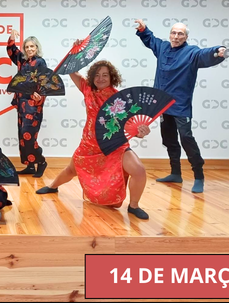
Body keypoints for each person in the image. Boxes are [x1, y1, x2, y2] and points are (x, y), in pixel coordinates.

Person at [36, 58, 152, 220]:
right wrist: (75, 53)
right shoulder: (88, 89)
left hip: (114, 146)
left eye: (105, 75)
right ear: (92, 77)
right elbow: (72, 70)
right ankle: (52, 186)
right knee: (71, 170)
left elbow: (131, 124)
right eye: (97, 75)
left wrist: (141, 132)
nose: (100, 78)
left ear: (112, 77)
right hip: (89, 145)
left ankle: (134, 206)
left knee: (139, 171)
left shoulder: (120, 98)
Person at [134, 19, 227, 193]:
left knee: (186, 138)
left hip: (180, 105)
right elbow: (151, 39)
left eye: (180, 34)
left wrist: (218, 51)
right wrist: (143, 29)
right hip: (162, 104)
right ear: (170, 34)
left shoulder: (192, 53)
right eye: (173, 33)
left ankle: (198, 176)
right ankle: (175, 173)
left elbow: (206, 54)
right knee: (168, 139)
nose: (176, 36)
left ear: (186, 37)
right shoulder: (162, 47)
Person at [6, 29, 48, 177]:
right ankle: (30, 165)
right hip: (21, 104)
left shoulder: (40, 62)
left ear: (37, 48)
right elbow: (11, 51)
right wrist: (11, 38)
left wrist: (39, 95)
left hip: (33, 105)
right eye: (27, 47)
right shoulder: (21, 60)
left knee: (28, 135)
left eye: (32, 46)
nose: (29, 49)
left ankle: (41, 161)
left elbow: (45, 82)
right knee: (22, 136)